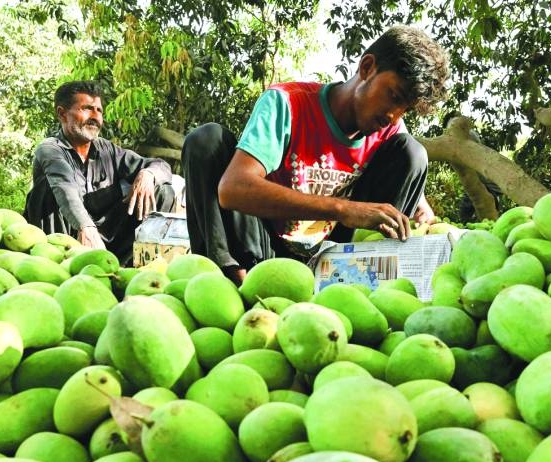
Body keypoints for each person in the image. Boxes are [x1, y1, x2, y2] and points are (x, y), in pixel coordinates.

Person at [181, 25, 449, 283]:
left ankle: (363, 284)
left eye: (405, 108)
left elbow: (407, 166)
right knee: (206, 141)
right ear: (367, 67)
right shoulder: (288, 104)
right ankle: (233, 281)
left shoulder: (388, 129)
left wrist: (420, 205)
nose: (393, 116)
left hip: (332, 258)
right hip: (264, 251)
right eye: (393, 95)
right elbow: (233, 189)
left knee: (413, 153)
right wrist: (342, 209)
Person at [24, 80, 176, 265]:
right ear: (62, 114)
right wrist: (85, 227)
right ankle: (57, 268)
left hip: (107, 240)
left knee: (161, 189)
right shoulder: (50, 149)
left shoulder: (108, 150)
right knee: (48, 188)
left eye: (99, 110)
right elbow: (65, 190)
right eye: (87, 108)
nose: (95, 117)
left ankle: (130, 266)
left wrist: (148, 175)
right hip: (65, 242)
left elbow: (160, 165)